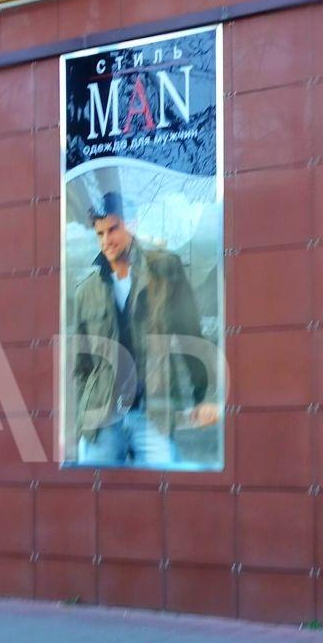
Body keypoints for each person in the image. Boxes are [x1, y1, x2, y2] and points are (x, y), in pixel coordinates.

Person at [68, 192, 220, 465]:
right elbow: (82, 366)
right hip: (101, 420)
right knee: (93, 489)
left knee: (161, 488)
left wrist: (204, 396)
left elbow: (191, 337)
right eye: (100, 233)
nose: (106, 240)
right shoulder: (86, 291)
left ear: (132, 225)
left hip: (152, 415)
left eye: (113, 229)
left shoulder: (165, 271)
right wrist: (83, 418)